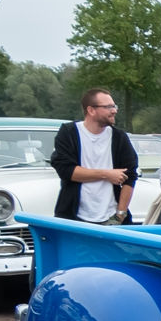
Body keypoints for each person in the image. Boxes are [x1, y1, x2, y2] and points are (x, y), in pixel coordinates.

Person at [50, 88, 139, 224]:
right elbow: (66, 171)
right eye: (108, 107)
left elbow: (130, 176)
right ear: (91, 110)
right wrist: (106, 174)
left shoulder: (119, 138)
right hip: (74, 218)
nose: (114, 110)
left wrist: (120, 215)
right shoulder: (69, 133)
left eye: (114, 106)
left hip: (111, 219)